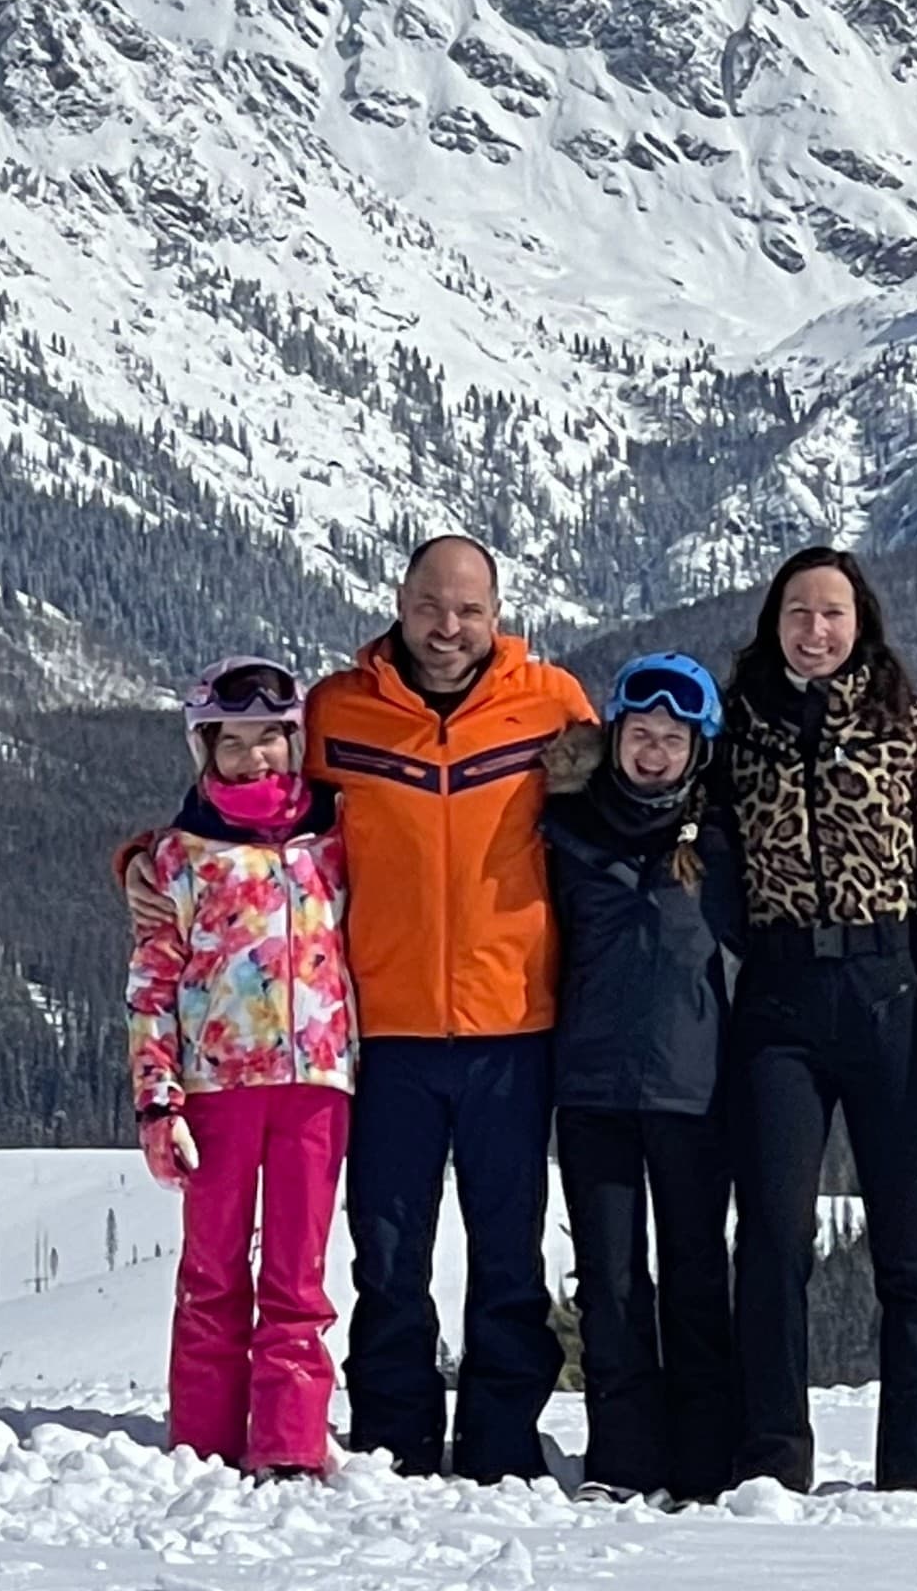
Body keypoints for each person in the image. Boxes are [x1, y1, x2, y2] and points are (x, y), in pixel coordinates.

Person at [121, 535, 594, 1484]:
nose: (447, 626)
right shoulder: (342, 710)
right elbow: (244, 810)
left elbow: (622, 808)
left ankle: (503, 1445)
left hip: (513, 1023)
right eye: (430, 605)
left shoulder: (553, 705)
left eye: (467, 609)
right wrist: (141, 862)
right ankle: (393, 1438)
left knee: (508, 1254)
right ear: (401, 602)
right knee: (388, 1252)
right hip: (383, 1034)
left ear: (499, 613)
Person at [722, 546, 917, 1500]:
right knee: (772, 1241)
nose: (815, 630)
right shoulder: (737, 728)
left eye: (832, 612)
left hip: (891, 996)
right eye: (798, 611)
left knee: (909, 1256)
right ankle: (769, 1460)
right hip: (779, 1000)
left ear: (861, 622)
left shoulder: (911, 728)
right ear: (775, 622)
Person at [124, 655, 355, 1481]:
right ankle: (204, 1436)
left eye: (270, 741)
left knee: (297, 1271)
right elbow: (151, 988)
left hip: (316, 1086)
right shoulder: (183, 858)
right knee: (214, 1268)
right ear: (205, 753)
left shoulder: (335, 840)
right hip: (217, 1086)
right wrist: (158, 1102)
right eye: (234, 744)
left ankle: (290, 1437)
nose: (254, 759)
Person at [540, 652, 742, 1506]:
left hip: (693, 1092)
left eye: (672, 738)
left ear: (697, 750)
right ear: (613, 736)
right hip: (590, 1090)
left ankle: (704, 1461)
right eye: (640, 734)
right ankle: (623, 1457)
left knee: (696, 1274)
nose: (653, 753)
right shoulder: (562, 832)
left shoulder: (727, 842)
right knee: (611, 1279)